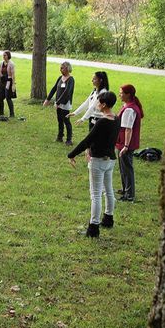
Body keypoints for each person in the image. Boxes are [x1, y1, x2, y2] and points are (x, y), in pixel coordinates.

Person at [67, 91, 120, 238]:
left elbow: (87, 140)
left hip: (98, 161)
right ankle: (108, 218)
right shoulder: (116, 118)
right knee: (108, 190)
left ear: (103, 105)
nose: (96, 104)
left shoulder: (102, 122)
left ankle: (94, 227)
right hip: (110, 159)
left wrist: (71, 154)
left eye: (98, 102)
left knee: (96, 194)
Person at [115, 84, 143, 202]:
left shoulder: (130, 110)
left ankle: (129, 194)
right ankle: (125, 189)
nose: (119, 95)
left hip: (126, 144)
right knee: (123, 167)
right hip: (122, 142)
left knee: (127, 168)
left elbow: (128, 128)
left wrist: (126, 146)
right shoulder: (127, 106)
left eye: (121, 93)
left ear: (128, 95)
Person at [44, 61, 75, 145]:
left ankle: (69, 139)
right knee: (59, 120)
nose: (60, 69)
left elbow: (66, 92)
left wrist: (58, 102)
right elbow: (54, 88)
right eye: (60, 67)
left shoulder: (71, 79)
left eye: (62, 68)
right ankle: (60, 137)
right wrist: (48, 99)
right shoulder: (60, 78)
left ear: (67, 69)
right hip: (58, 103)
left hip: (65, 103)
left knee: (66, 121)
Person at [0, 50, 16, 118]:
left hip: (8, 82)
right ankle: (1, 112)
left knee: (8, 98)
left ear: (8, 56)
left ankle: (12, 114)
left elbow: (13, 75)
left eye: (5, 55)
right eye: (3, 55)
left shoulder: (11, 64)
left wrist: (13, 84)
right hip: (2, 81)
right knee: (0, 98)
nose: (3, 57)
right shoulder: (1, 63)